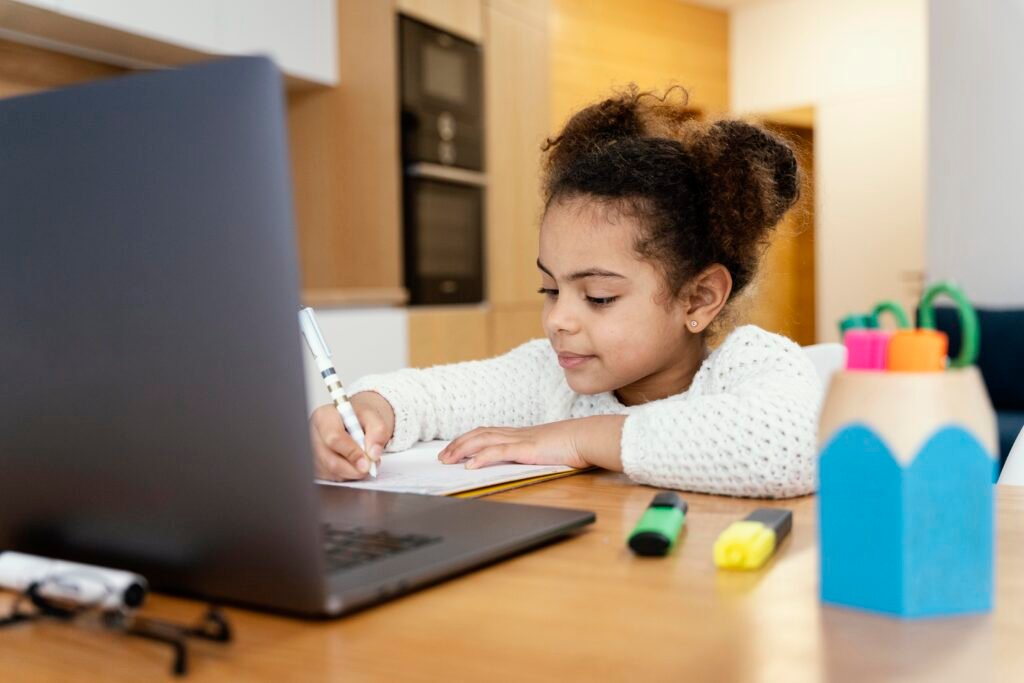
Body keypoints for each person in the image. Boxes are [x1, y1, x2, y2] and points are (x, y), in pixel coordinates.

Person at [309, 86, 821, 498]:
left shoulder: (748, 364)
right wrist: (370, 409)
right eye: (550, 288)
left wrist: (576, 439)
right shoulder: (551, 377)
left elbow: (789, 446)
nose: (558, 320)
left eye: (598, 296)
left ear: (699, 298)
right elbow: (433, 397)